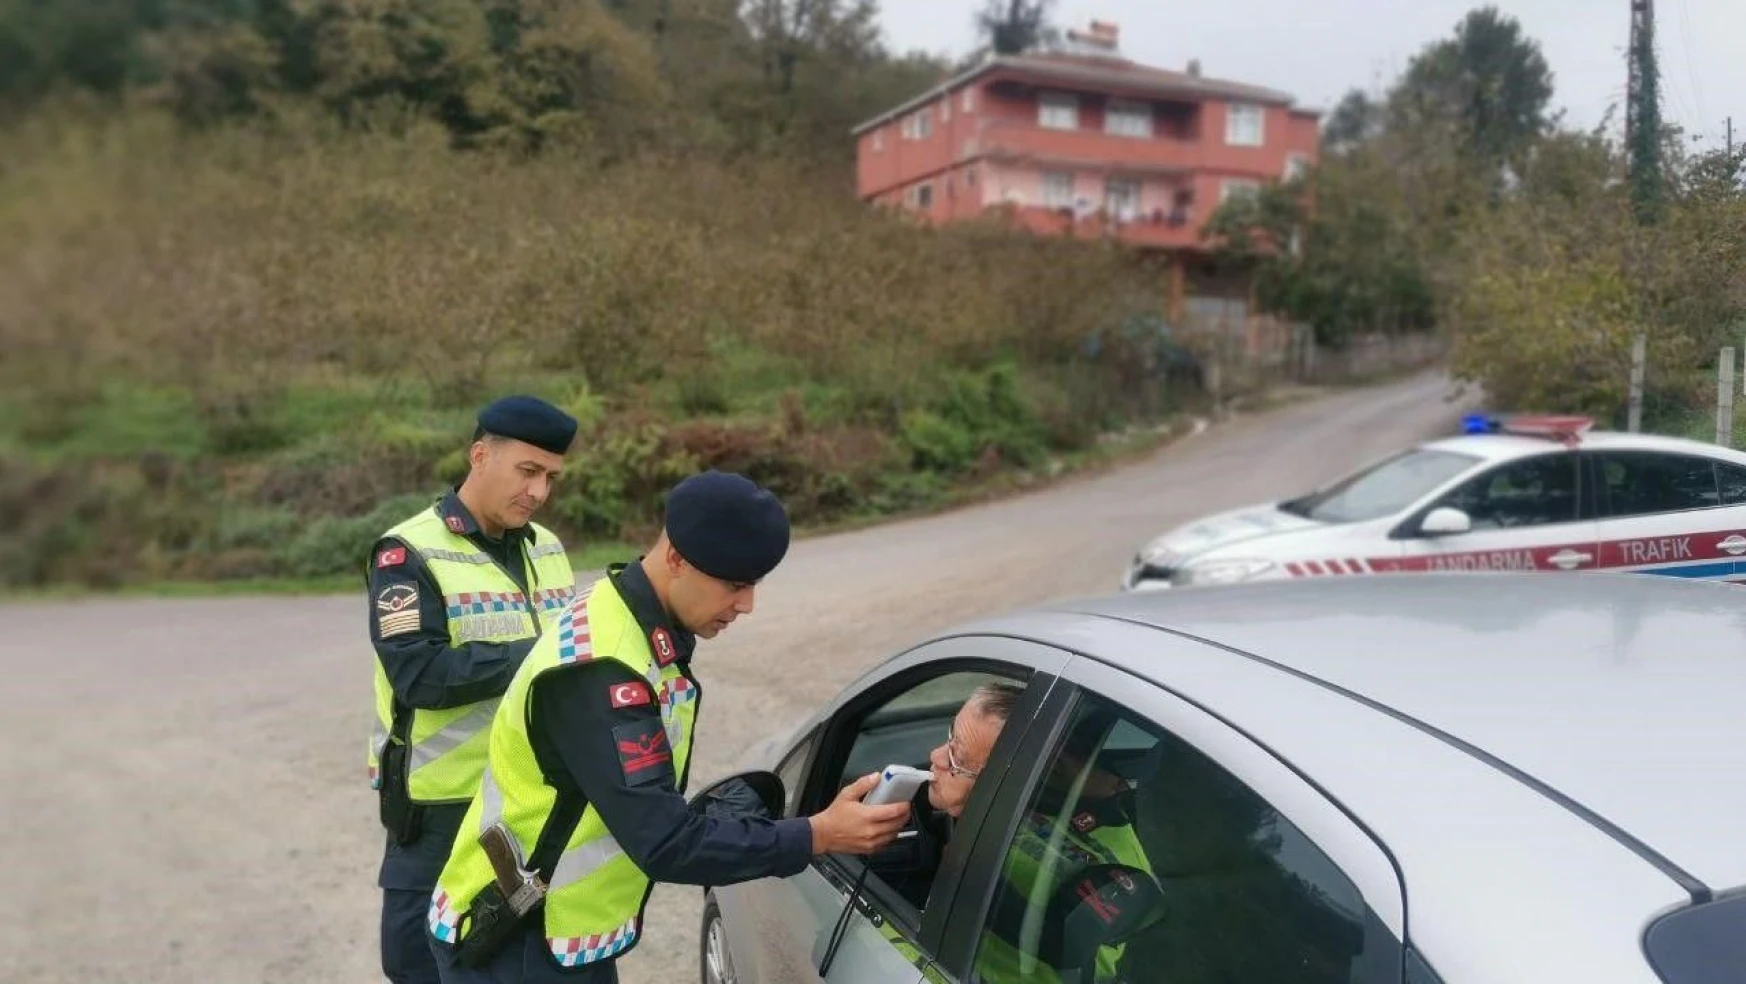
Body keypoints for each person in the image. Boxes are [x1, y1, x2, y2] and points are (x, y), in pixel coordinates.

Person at [425, 469, 912, 983]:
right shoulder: (602, 672)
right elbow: (665, 843)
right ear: (676, 559)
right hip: (513, 940)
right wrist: (816, 834)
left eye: (755, 584)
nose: (747, 605)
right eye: (734, 585)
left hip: (554, 931)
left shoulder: (626, 614)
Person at [366, 395, 580, 984]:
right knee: (418, 965)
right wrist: (536, 657)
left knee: (514, 962)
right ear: (480, 456)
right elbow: (419, 676)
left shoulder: (549, 549)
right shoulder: (407, 553)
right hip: (440, 807)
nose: (538, 493)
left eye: (551, 478)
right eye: (527, 472)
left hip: (525, 798)